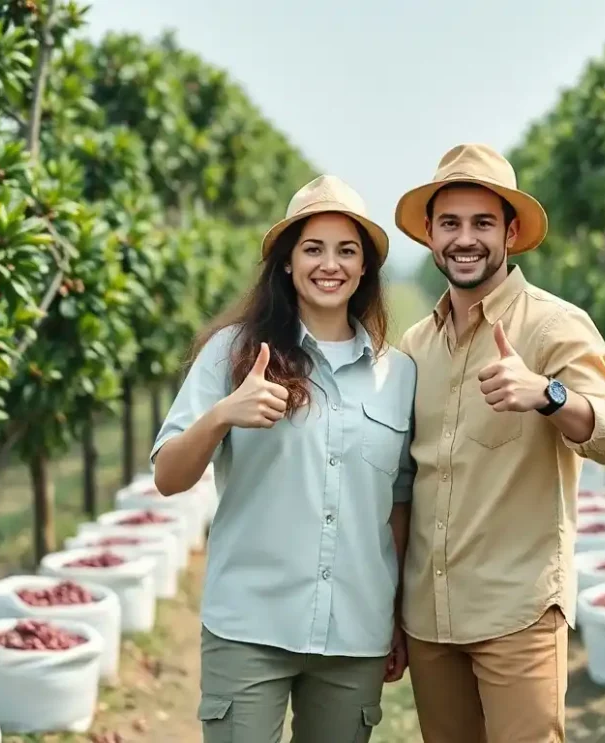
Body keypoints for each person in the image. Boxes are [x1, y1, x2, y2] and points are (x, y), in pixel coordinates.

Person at [149, 174, 415, 743]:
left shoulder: (398, 375)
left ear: (365, 268)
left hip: (354, 633)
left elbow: (397, 506)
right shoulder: (232, 353)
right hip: (250, 625)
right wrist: (222, 414)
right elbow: (168, 476)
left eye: (347, 251)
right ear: (287, 263)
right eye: (313, 249)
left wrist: (396, 615)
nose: (330, 264)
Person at [393, 143, 605, 742]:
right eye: (450, 223)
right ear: (430, 234)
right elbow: (404, 480)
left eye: (483, 223)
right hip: (430, 617)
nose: (465, 239)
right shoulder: (414, 346)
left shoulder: (553, 325)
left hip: (517, 614)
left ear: (510, 232)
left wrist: (548, 394)